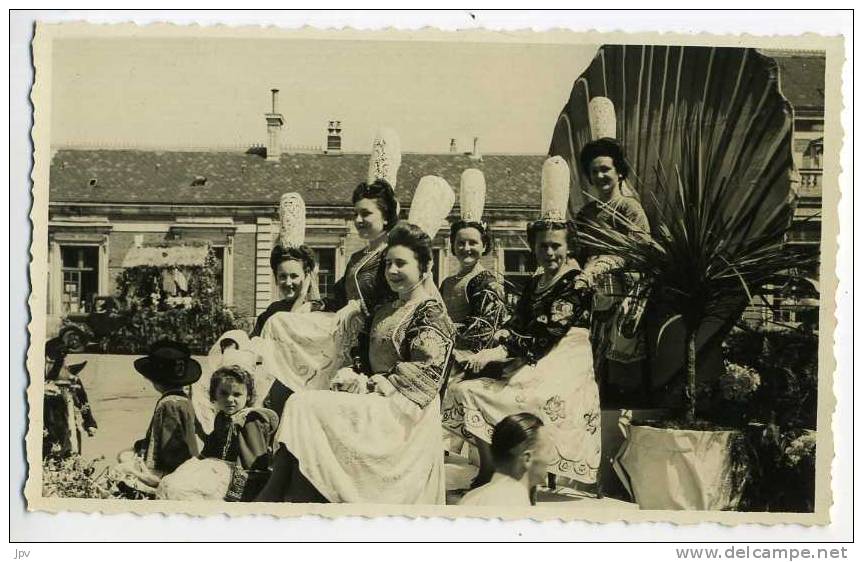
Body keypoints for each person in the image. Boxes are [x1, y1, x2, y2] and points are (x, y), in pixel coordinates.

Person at [256, 177, 456, 505]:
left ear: (424, 266)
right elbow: (363, 340)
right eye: (388, 263)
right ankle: (288, 492)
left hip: (405, 413)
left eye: (400, 264)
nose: (390, 271)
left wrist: (377, 383)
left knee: (304, 405)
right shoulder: (388, 307)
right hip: (380, 401)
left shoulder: (430, 310)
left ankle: (278, 495)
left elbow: (428, 372)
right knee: (302, 402)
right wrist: (358, 376)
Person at [443, 157, 602, 490]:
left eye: (555, 246)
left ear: (567, 246)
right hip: (532, 356)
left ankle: (511, 472)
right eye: (542, 246)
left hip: (562, 362)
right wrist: (499, 340)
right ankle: (490, 470)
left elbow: (546, 333)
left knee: (497, 393)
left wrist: (499, 352)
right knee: (465, 388)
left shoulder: (577, 283)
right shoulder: (535, 280)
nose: (549, 253)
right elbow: (519, 320)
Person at [254, 130, 402, 397]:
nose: (358, 220)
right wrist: (317, 305)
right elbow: (339, 296)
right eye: (355, 214)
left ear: (386, 215)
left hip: (374, 334)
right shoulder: (358, 257)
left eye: (366, 214)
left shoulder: (393, 254)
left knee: (280, 325)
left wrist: (358, 306)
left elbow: (395, 296)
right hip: (345, 328)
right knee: (278, 321)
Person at [439, 169, 509, 452]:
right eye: (461, 242)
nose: (466, 248)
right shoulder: (447, 282)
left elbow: (485, 326)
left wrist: (451, 340)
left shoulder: (487, 281)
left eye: (473, 243)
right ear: (453, 245)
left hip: (472, 358)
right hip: (446, 351)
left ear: (484, 246)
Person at [575, 137, 651, 399]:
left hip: (626, 297)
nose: (600, 175)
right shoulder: (585, 215)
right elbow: (577, 254)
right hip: (592, 297)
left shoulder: (630, 208)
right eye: (594, 171)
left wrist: (602, 265)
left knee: (620, 370)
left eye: (605, 169)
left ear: (619, 172)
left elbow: (638, 252)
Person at [157, 364, 279, 502]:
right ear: (214, 395)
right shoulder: (222, 417)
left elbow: (254, 463)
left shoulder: (250, 419)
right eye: (224, 393)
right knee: (173, 483)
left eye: (237, 394)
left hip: (239, 478)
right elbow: (211, 448)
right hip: (218, 468)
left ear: (248, 396)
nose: (230, 399)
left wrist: (236, 493)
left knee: (184, 489)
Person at [114, 339, 201, 496]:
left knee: (122, 469)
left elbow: (171, 442)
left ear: (155, 380)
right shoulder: (184, 399)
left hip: (171, 468)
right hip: (185, 461)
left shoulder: (170, 403)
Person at [458, 413, 554, 506]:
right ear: (527, 458)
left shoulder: (469, 499)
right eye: (548, 452)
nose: (550, 458)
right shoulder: (518, 506)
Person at [42, 337, 97, 458]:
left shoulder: (70, 377)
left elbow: (82, 401)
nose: (52, 362)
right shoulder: (37, 377)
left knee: (70, 450)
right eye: (50, 358)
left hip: (68, 423)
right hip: (48, 426)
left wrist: (89, 421)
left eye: (60, 357)